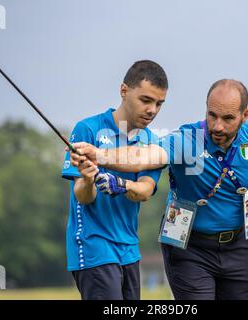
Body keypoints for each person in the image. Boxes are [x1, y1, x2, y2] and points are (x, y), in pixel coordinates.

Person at [70, 79, 248, 300]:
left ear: (244, 115)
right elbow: (145, 156)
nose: (217, 126)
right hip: (189, 248)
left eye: (228, 118)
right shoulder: (187, 139)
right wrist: (99, 155)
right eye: (212, 115)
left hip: (239, 246)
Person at [61, 60, 168, 300]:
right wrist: (88, 179)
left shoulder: (152, 142)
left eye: (159, 103)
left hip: (130, 250)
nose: (152, 110)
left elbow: (144, 191)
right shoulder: (87, 129)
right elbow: (83, 196)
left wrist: (121, 185)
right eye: (146, 100)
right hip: (94, 247)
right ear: (124, 91)